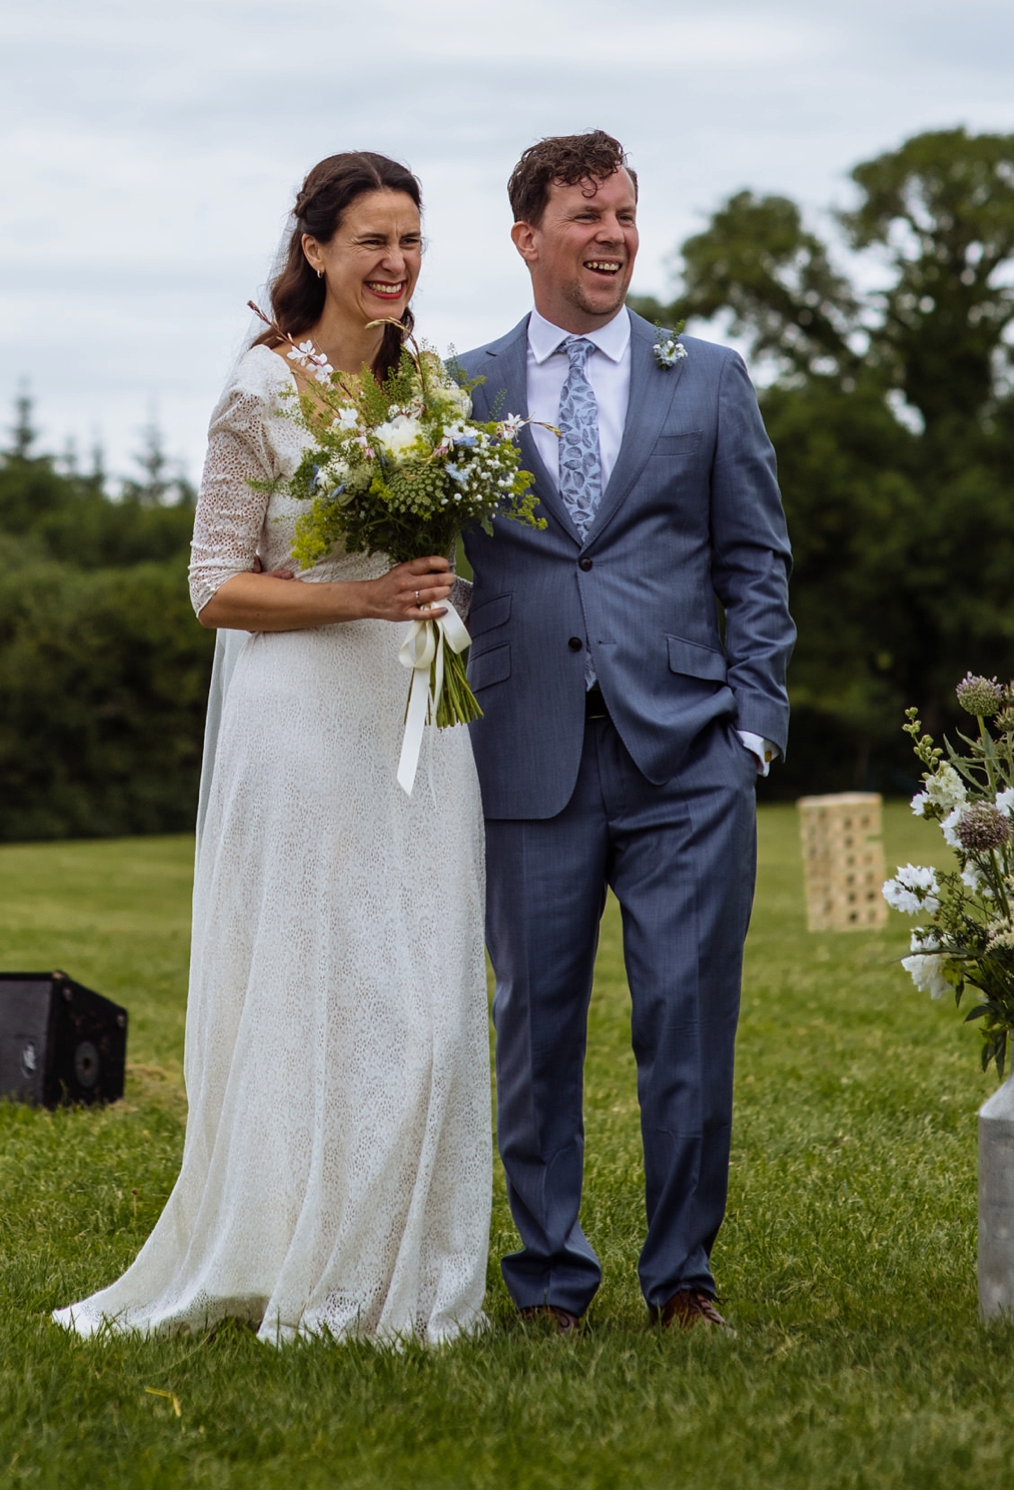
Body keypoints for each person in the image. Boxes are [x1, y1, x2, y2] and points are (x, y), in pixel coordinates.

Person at [54, 151, 492, 1345]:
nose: (396, 263)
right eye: (372, 241)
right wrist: (360, 598)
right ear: (315, 251)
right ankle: (303, 1259)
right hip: (302, 719)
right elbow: (213, 588)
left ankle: (410, 1274)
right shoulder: (259, 389)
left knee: (430, 999)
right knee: (323, 994)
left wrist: (429, 584)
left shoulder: (431, 386)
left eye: (411, 241)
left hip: (415, 717)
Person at [456, 130, 794, 1334]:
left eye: (626, 214)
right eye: (587, 215)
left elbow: (756, 557)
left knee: (688, 1024)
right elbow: (423, 569)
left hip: (689, 758)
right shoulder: (458, 391)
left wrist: (754, 723)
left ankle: (683, 1277)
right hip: (524, 754)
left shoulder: (706, 376)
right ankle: (550, 1279)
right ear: (526, 236)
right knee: (533, 1029)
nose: (612, 236)